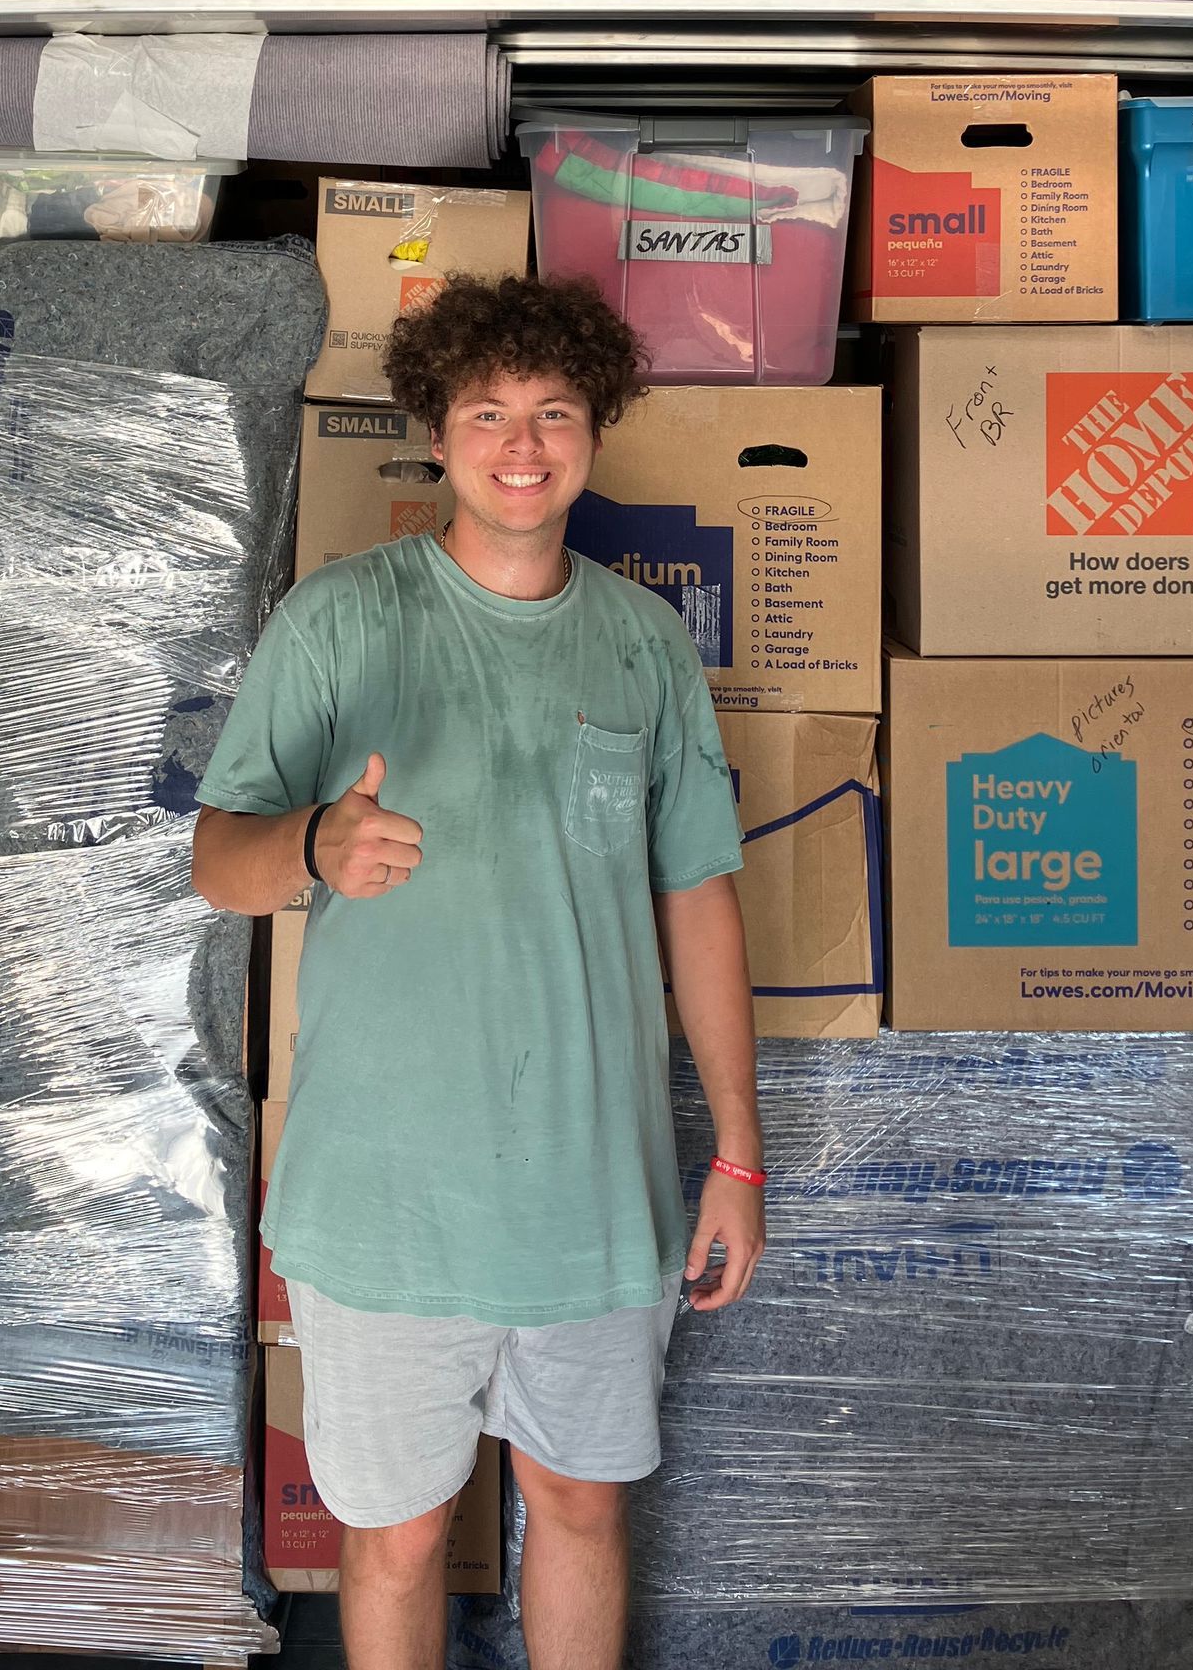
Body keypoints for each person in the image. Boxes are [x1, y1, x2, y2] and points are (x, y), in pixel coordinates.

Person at [194, 272, 765, 1670]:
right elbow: (219, 860)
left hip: (591, 1192)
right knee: (391, 1541)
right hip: (391, 1202)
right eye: (488, 412)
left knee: (576, 1505)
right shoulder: (339, 622)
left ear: (595, 431)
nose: (524, 442)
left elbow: (699, 898)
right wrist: (317, 844)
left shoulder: (641, 646)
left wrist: (740, 1155)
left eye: (554, 411)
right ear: (435, 437)